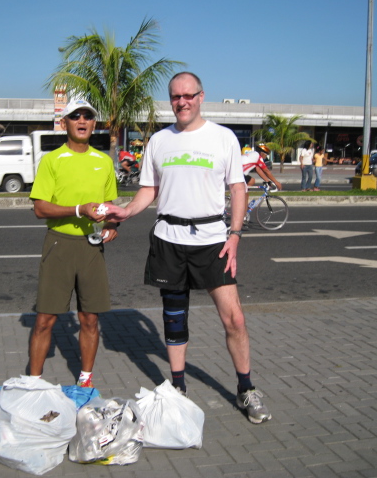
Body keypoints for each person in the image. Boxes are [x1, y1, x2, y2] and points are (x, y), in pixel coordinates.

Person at [104, 72, 271, 424]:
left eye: (188, 95)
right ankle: (178, 388)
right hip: (169, 239)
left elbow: (238, 189)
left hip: (213, 240)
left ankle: (246, 388)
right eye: (175, 97)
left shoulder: (222, 138)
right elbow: (149, 190)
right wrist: (126, 211)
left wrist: (236, 236)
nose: (182, 102)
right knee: (174, 319)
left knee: (235, 318)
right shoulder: (159, 142)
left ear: (201, 96)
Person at [27, 99, 118, 388]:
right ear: (64, 122)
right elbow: (40, 208)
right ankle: (34, 382)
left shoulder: (103, 161)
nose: (82, 121)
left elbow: (108, 205)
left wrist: (113, 224)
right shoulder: (52, 160)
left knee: (90, 318)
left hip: (92, 248)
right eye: (75, 116)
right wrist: (79, 209)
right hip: (60, 245)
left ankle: (86, 378)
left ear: (94, 124)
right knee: (45, 320)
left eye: (88, 116)